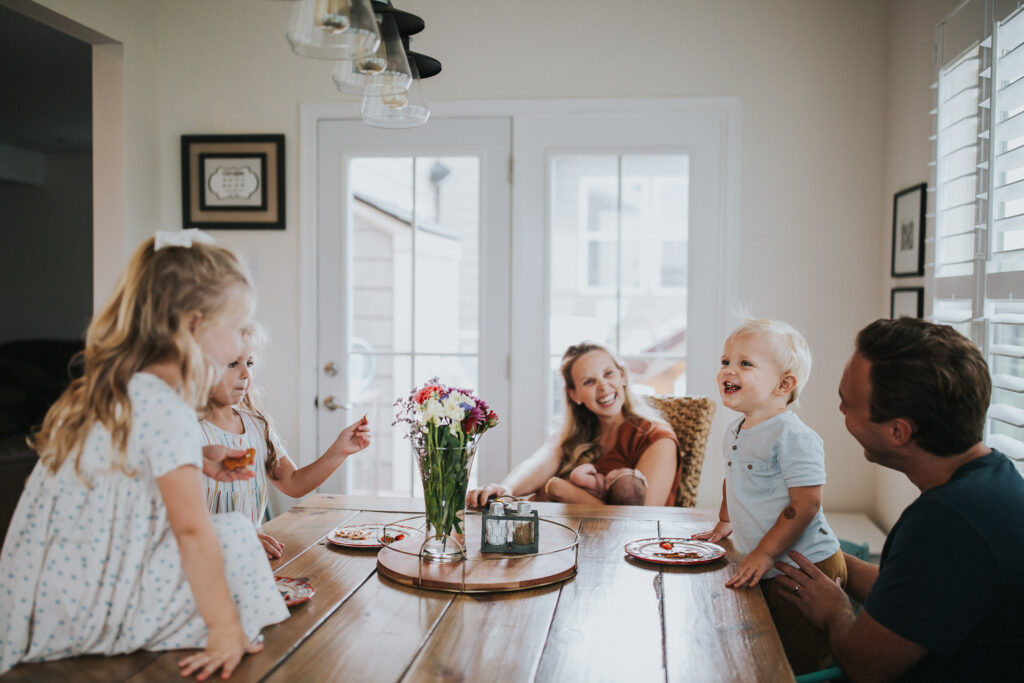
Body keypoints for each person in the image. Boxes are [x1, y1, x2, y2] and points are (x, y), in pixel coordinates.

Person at [0, 231, 289, 680]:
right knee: (230, 537)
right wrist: (224, 627)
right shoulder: (167, 408)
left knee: (228, 540)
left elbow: (121, 468)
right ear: (194, 325)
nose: (238, 345)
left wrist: (201, 458)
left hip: (50, 589)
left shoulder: (118, 388)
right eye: (234, 327)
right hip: (94, 598)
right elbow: (191, 532)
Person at [773, 318, 1024, 681]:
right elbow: (918, 592)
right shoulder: (992, 478)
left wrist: (834, 611)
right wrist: (820, 552)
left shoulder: (949, 522)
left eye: (848, 404)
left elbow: (865, 665)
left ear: (897, 431)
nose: (841, 412)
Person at [691, 318, 845, 674]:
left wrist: (764, 551)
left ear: (784, 384)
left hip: (806, 568)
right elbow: (734, 476)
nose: (728, 370)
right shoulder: (737, 428)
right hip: (769, 562)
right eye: (725, 361)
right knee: (768, 648)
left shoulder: (793, 435)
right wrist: (725, 521)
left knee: (799, 660)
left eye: (744, 363)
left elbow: (805, 504)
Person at [200, 322, 371, 559]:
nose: (246, 374)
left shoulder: (256, 426)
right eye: (232, 364)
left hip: (252, 558)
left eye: (249, 363)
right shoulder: (189, 433)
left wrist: (339, 450)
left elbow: (293, 482)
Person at [467, 341, 681, 508]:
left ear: (622, 376)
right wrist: (506, 488)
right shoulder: (572, 434)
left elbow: (642, 519)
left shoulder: (657, 438)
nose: (603, 387)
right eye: (589, 381)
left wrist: (561, 490)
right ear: (574, 394)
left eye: (608, 374)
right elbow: (537, 464)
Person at [567, 463, 648, 505]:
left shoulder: (597, 484)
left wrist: (589, 466)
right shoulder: (607, 496)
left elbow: (576, 476)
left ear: (608, 486)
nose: (615, 469)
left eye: (617, 471)